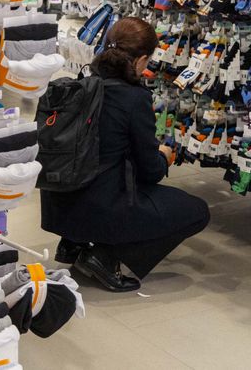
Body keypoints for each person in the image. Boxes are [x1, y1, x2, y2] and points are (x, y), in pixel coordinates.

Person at [40, 17, 211, 292]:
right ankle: (105, 257)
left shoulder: (80, 85)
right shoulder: (133, 98)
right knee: (196, 211)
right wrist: (163, 155)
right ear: (141, 60)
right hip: (99, 206)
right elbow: (150, 172)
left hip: (58, 207)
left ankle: (75, 243)